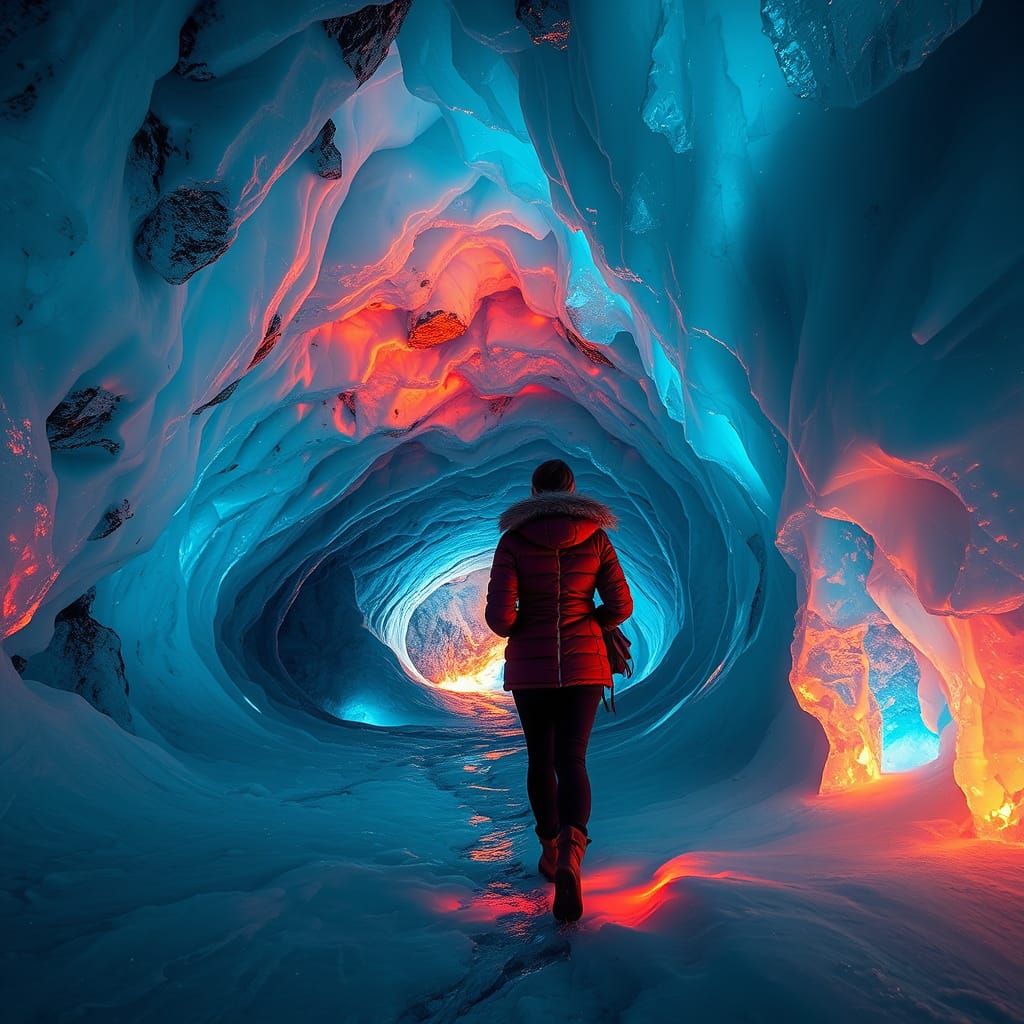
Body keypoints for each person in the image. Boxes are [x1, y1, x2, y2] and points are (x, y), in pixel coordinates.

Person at [484, 459, 633, 922]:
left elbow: (499, 618)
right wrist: (591, 624)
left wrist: (525, 623)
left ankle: (549, 851)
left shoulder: (513, 540)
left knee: (540, 759)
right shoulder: (596, 537)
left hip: (532, 669)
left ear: (533, 492)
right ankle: (573, 852)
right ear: (572, 490)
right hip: (586, 667)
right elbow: (621, 605)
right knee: (573, 759)